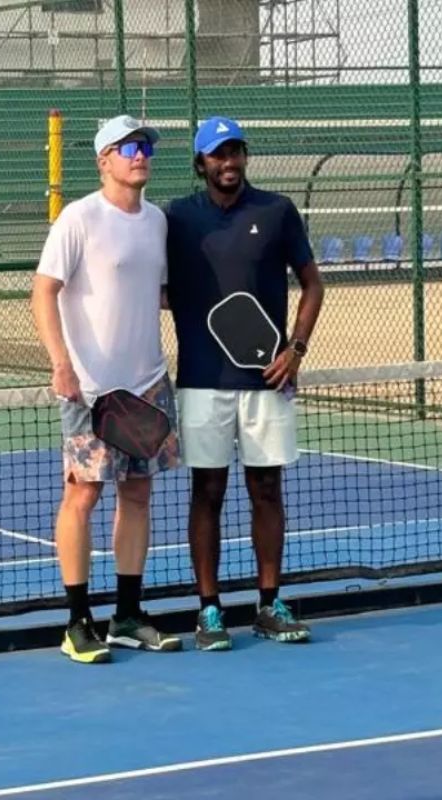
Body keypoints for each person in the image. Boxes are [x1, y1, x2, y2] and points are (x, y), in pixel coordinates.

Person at [165, 116, 325, 651]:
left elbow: (312, 283)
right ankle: (209, 611)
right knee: (206, 492)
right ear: (200, 163)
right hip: (201, 382)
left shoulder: (276, 211)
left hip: (266, 382)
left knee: (267, 490)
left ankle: (268, 603)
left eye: (236, 152)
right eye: (218, 155)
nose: (228, 163)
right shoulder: (176, 218)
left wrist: (295, 349)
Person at [31, 114, 183, 664]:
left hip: (148, 385)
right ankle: (77, 622)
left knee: (138, 495)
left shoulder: (158, 222)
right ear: (103, 160)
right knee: (83, 494)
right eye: (127, 148)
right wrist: (61, 365)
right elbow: (43, 292)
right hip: (90, 391)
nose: (140, 155)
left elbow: (158, 294)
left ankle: (127, 614)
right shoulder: (78, 218)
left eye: (145, 147)